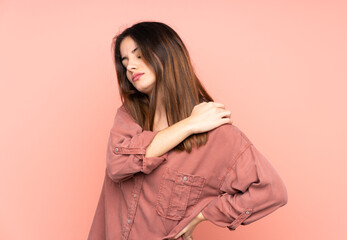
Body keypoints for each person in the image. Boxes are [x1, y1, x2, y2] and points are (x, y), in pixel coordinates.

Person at [88, 21, 288, 240]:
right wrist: (189, 124)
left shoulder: (219, 137)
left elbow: (272, 191)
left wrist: (203, 215)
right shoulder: (129, 117)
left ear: (166, 53)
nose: (130, 67)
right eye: (124, 62)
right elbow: (118, 166)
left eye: (138, 55)